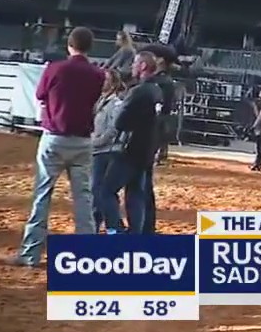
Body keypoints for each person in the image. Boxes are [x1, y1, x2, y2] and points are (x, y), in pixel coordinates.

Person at [15, 26, 106, 267]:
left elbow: (40, 95)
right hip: (83, 140)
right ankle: (88, 254)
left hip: (54, 137)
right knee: (83, 198)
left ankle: (30, 253)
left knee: (42, 194)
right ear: (90, 47)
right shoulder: (97, 74)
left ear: (69, 45)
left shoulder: (55, 68)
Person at [95, 50, 163, 234]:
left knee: (106, 191)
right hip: (146, 151)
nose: (132, 66)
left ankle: (115, 229)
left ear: (142, 66)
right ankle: (136, 234)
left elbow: (120, 122)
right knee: (136, 195)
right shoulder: (157, 90)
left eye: (135, 63)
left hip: (129, 151)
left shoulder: (138, 92)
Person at [90, 69, 129, 233]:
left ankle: (114, 226)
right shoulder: (100, 101)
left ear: (112, 84)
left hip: (107, 151)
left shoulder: (115, 104)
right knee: (97, 191)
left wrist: (95, 142)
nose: (102, 82)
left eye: (105, 80)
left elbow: (113, 129)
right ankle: (98, 225)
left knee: (99, 190)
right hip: (100, 150)